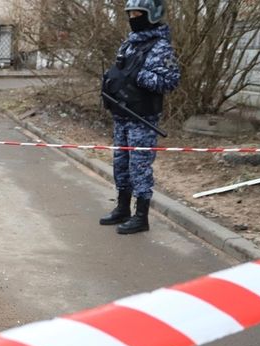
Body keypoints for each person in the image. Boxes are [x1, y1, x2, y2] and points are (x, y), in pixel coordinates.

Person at [99, 0, 179, 234]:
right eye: (131, 13)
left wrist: (142, 77)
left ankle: (141, 217)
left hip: (142, 118)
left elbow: (171, 81)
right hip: (122, 114)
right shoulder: (129, 44)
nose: (133, 17)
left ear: (152, 15)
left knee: (139, 167)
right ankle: (122, 208)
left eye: (138, 13)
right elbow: (120, 71)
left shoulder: (161, 47)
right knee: (121, 164)